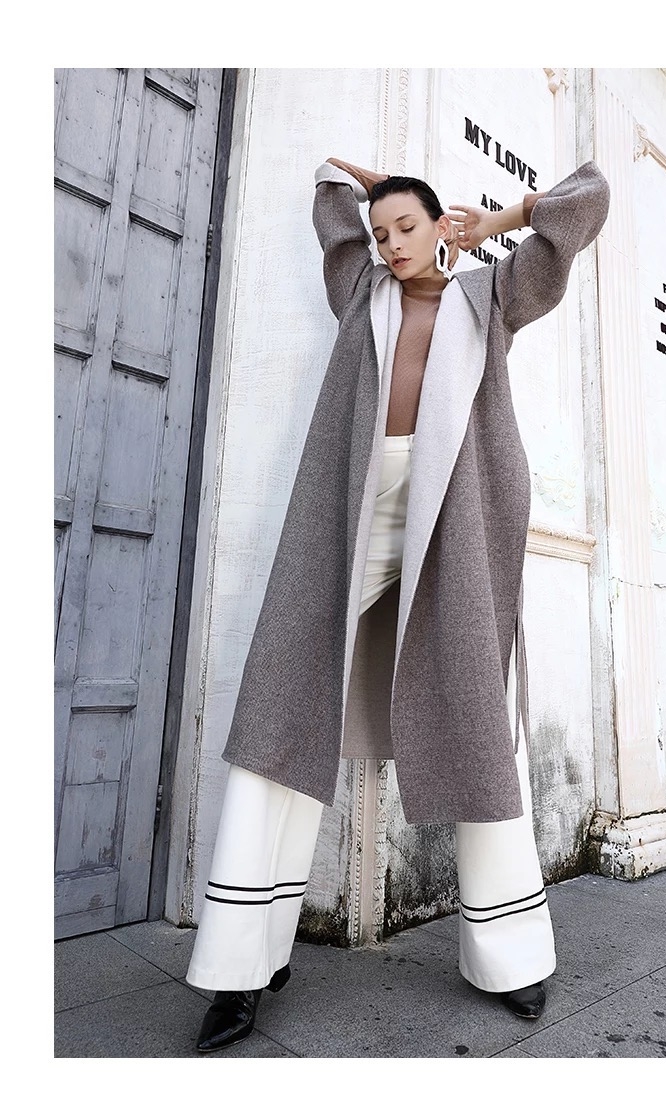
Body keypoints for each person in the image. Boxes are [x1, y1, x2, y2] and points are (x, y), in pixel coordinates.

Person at [186, 152, 610, 1053]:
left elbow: (587, 201)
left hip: (450, 521)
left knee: (478, 727)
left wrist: (497, 222)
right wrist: (372, 186)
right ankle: (241, 966)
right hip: (346, 518)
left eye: (407, 227)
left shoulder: (492, 297)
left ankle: (510, 958)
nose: (390, 244)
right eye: (381, 233)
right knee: (280, 715)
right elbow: (327, 198)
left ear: (440, 229)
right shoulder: (359, 291)